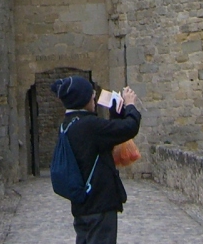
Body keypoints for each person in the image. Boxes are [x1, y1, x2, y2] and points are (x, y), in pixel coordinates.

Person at [50, 76, 141, 244]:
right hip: (99, 205)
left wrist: (115, 114)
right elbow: (130, 127)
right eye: (91, 95)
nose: (94, 97)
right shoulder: (89, 125)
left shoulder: (69, 124)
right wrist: (130, 105)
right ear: (82, 99)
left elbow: (106, 138)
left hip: (83, 206)